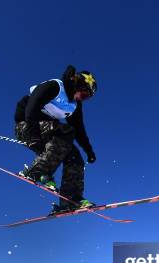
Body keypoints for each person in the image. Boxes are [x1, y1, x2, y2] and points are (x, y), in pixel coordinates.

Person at [14, 65, 98, 214]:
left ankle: (70, 200)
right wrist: (32, 135)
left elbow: (79, 130)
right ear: (78, 84)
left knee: (75, 157)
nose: (82, 99)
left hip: (49, 134)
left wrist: (88, 150)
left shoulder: (74, 106)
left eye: (87, 98)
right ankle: (38, 172)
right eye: (84, 94)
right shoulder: (55, 87)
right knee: (66, 131)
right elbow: (31, 107)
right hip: (27, 126)